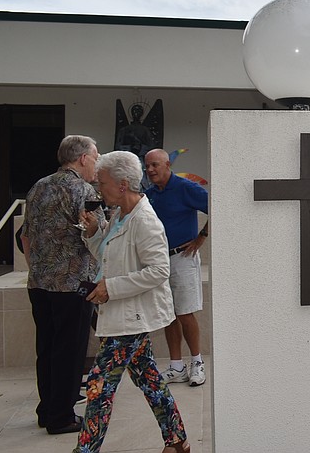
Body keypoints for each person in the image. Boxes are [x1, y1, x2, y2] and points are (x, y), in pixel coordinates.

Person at [74, 151, 190, 453]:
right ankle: (177, 441)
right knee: (149, 379)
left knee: (98, 387)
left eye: (103, 183)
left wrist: (110, 288)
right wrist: (93, 234)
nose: (99, 189)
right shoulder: (120, 215)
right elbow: (110, 257)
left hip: (131, 318)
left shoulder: (145, 221)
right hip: (123, 315)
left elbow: (159, 271)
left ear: (122, 184)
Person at [21, 135, 99, 435]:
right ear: (82, 158)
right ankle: (62, 416)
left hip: (39, 282)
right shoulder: (83, 189)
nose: (96, 164)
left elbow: (26, 235)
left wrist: (36, 268)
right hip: (72, 283)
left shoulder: (38, 186)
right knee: (70, 349)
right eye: (95, 158)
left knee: (47, 347)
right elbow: (97, 232)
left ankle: (47, 409)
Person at [144, 148, 209, 386]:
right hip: (159, 260)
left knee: (185, 312)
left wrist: (202, 237)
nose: (150, 170)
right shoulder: (149, 194)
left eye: (155, 165)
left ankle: (197, 363)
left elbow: (218, 207)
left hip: (183, 257)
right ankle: (176, 366)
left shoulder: (186, 188)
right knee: (168, 313)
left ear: (167, 165)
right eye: (147, 166)